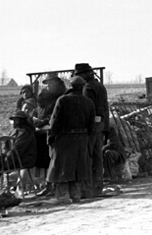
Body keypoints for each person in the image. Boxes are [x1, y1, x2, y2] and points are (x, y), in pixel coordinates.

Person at [46, 76, 95, 204]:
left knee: (62, 168)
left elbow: (55, 122)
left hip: (64, 140)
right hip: (82, 140)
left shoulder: (62, 100)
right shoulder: (89, 102)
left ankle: (63, 197)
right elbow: (92, 126)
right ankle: (76, 195)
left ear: (71, 86)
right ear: (82, 87)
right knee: (78, 168)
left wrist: (50, 138)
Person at [74, 63, 109, 199]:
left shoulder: (88, 88)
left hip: (92, 125)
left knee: (89, 157)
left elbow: (87, 108)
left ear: (87, 74)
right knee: (98, 157)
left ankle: (89, 189)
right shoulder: (100, 86)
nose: (79, 78)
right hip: (100, 124)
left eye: (79, 75)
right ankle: (98, 187)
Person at [0, 111, 37, 196]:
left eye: (16, 120)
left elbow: (17, 150)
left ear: (21, 121)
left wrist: (6, 161)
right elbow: (6, 147)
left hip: (23, 159)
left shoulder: (26, 133)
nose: (14, 122)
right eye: (13, 120)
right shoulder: (15, 131)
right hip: (14, 158)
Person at [33, 72, 67, 197]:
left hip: (54, 131)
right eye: (47, 84)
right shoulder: (43, 97)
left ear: (57, 83)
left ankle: (54, 185)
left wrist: (44, 121)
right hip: (41, 132)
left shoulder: (61, 97)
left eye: (51, 83)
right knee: (44, 160)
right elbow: (39, 111)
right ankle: (47, 185)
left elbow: (56, 115)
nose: (48, 86)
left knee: (54, 159)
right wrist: (35, 118)